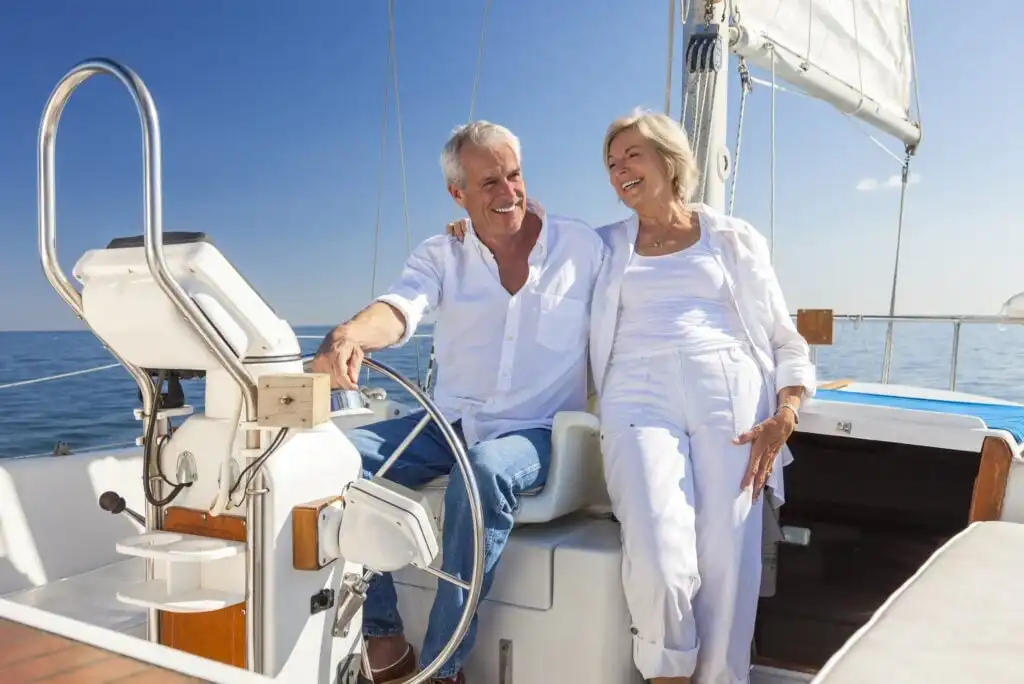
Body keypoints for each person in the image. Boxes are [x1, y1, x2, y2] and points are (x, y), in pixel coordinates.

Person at [311, 120, 605, 684]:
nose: (508, 193)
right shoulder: (442, 253)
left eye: (514, 176)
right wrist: (350, 333)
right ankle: (383, 637)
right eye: (489, 182)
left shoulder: (582, 246)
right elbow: (400, 308)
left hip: (536, 430)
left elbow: (652, 246)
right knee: (334, 460)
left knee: (484, 471)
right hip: (448, 424)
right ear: (457, 194)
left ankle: (444, 667)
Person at [592, 109, 816, 684]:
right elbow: (526, 244)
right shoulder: (599, 246)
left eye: (631, 156)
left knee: (726, 559)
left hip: (731, 388)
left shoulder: (734, 239)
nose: (620, 171)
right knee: (658, 550)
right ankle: (667, 674)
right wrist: (466, 233)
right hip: (636, 389)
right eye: (612, 163)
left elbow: (783, 336)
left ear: (669, 160)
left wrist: (787, 410)